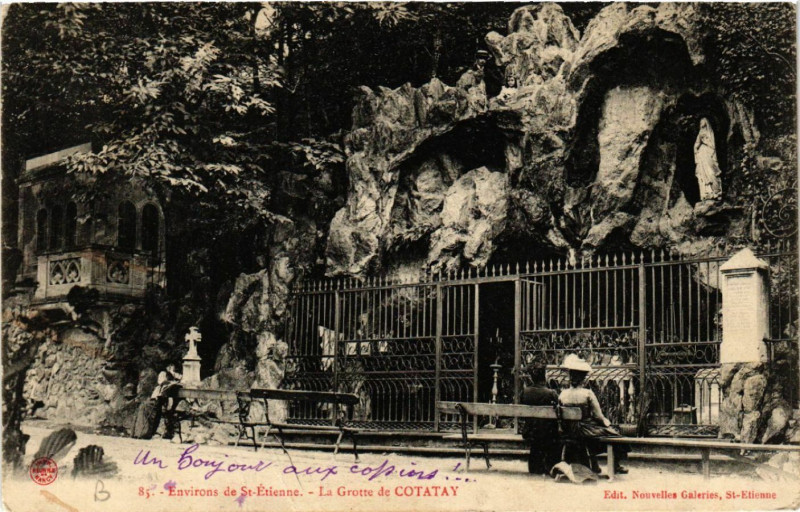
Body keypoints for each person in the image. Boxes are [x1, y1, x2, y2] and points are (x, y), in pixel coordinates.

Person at [557, 354, 630, 475]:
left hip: (570, 431)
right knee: (616, 434)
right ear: (583, 378)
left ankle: (595, 466)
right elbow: (598, 416)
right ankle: (615, 465)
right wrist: (607, 423)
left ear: (570, 377)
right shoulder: (588, 394)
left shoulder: (562, 394)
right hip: (586, 430)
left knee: (592, 437)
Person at [520, 364, 560, 475]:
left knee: (538, 433)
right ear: (545, 376)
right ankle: (550, 466)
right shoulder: (551, 393)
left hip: (530, 431)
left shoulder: (525, 392)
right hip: (547, 433)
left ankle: (534, 466)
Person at [132, 364, 182, 439]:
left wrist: (172, 374)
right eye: (170, 367)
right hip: (155, 400)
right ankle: (140, 433)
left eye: (172, 367)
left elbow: (178, 379)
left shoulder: (170, 381)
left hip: (156, 401)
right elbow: (161, 382)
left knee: (144, 407)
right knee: (143, 408)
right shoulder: (164, 375)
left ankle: (143, 433)